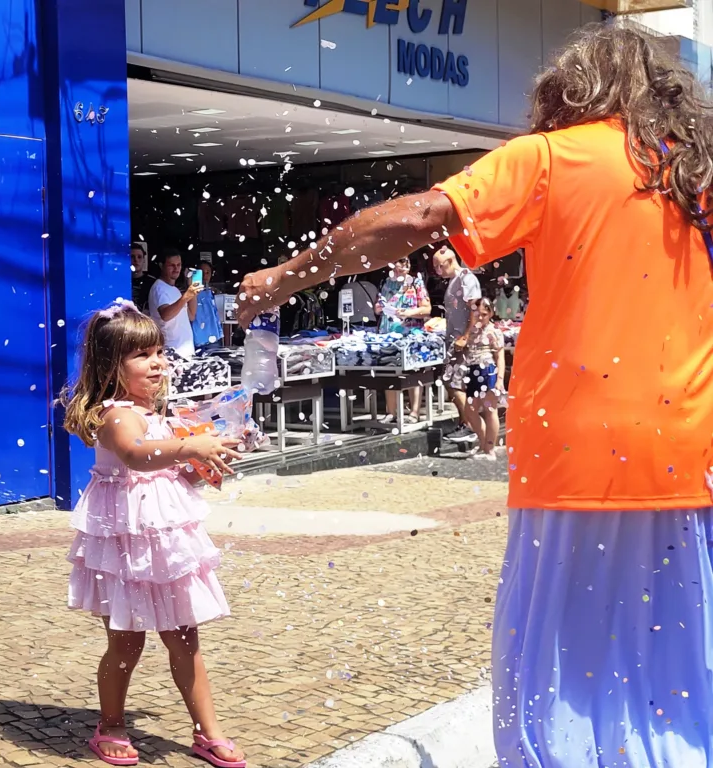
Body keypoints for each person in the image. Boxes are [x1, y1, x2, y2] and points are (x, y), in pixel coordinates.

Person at [235, 24, 713, 767]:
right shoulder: (697, 177)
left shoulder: (553, 158)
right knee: (681, 668)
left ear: (573, 90)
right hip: (693, 455)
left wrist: (280, 279)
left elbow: (415, 219)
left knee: (559, 670)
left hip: (576, 458)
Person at [61, 301, 246, 767]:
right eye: (142, 355)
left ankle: (209, 731)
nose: (158, 363)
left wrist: (201, 467)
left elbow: (169, 473)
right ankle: (112, 724)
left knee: (185, 640)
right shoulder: (116, 414)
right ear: (112, 365)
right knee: (126, 642)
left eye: (160, 352)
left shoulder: (163, 416)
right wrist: (191, 445)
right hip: (125, 546)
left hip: (166, 547)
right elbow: (136, 455)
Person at [432, 246, 482, 444]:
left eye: (439, 265)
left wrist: (466, 336)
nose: (437, 270)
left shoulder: (466, 278)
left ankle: (470, 424)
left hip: (463, 340)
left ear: (451, 261)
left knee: (452, 381)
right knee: (453, 381)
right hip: (454, 339)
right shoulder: (454, 281)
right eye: (434, 266)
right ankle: (465, 422)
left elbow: (475, 309)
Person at [373, 256, 430, 422]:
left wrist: (408, 313)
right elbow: (377, 308)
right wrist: (380, 307)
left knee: (413, 370)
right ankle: (391, 411)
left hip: (410, 332)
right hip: (388, 333)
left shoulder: (416, 283)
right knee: (389, 371)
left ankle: (414, 412)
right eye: (400, 261)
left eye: (407, 262)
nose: (404, 265)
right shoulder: (386, 283)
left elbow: (427, 308)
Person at [461, 298, 505, 460]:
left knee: (490, 409)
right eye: (477, 313)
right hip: (472, 369)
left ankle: (489, 448)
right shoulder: (472, 329)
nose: (480, 318)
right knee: (470, 410)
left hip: (487, 370)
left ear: (490, 314)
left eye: (484, 314)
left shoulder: (493, 331)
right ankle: (483, 441)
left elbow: (500, 356)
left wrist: (499, 378)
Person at [149, 248, 200, 359]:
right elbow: (165, 315)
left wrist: (191, 289)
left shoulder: (175, 289)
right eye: (171, 265)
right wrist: (186, 296)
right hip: (171, 353)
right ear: (161, 266)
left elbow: (191, 315)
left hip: (185, 352)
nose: (176, 269)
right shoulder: (159, 288)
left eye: (178, 265)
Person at [191, 260, 222, 352]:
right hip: (197, 338)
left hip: (214, 337)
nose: (205, 276)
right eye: (201, 272)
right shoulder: (190, 292)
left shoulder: (214, 292)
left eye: (208, 272)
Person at [130, 242, 155, 312]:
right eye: (132, 257)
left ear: (144, 260)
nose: (136, 260)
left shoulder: (152, 282)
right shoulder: (121, 281)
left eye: (139, 257)